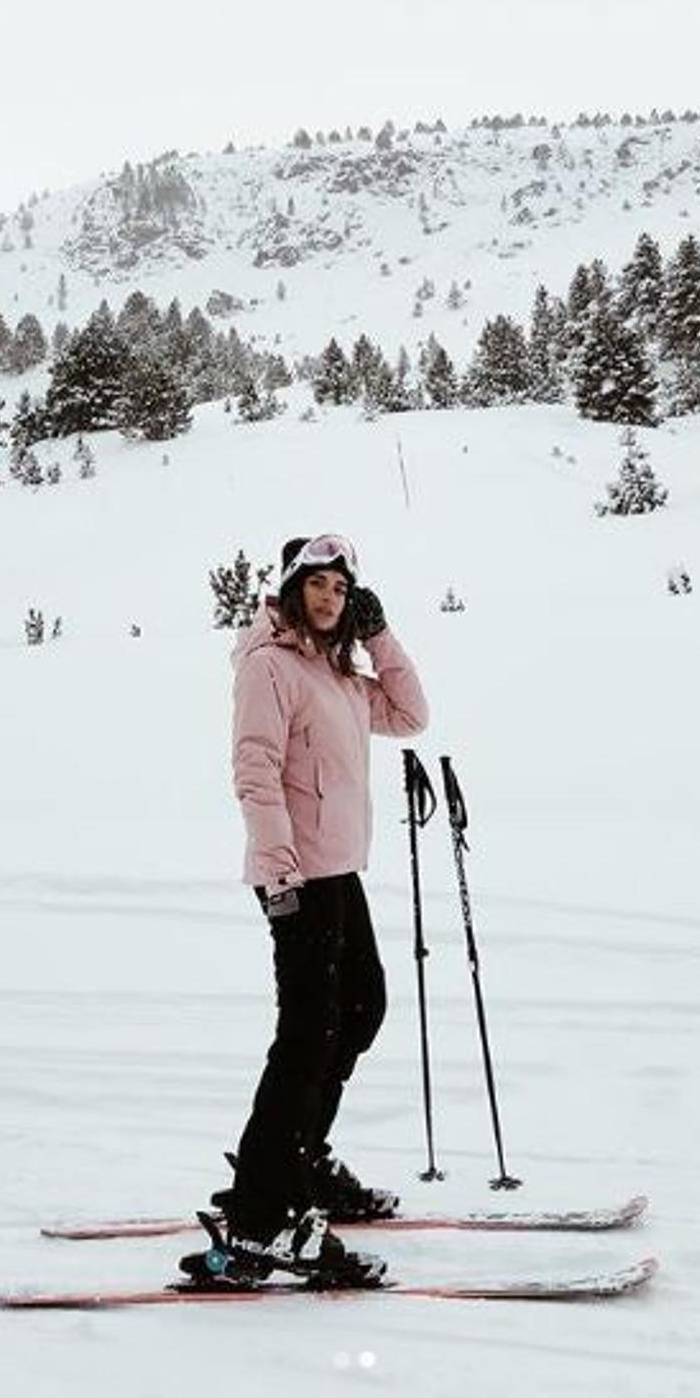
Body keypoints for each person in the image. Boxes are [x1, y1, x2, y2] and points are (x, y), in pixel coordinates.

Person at [219, 533, 428, 1281]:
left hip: (339, 872)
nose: (330, 598)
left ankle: (297, 1157)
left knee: (360, 1009)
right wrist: (278, 872)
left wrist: (379, 634)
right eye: (318, 585)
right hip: (296, 876)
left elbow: (410, 713)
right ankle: (260, 1214)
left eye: (343, 589)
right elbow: (255, 769)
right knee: (306, 1037)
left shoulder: (337, 675)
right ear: (292, 588)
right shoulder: (270, 667)